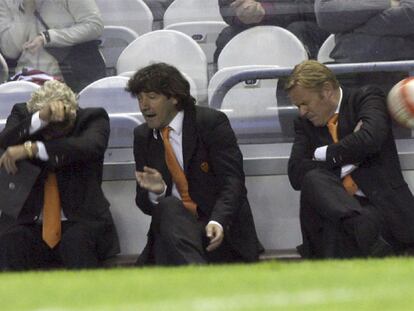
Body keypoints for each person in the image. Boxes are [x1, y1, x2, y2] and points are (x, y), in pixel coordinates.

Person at [126, 62, 263, 266]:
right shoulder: (143, 136)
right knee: (167, 205)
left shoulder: (209, 122)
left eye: (152, 97)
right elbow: (144, 204)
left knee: (164, 252)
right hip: (177, 229)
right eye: (140, 98)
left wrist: (218, 221)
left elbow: (232, 183)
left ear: (173, 97)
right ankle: (197, 276)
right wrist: (159, 191)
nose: (144, 105)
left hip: (218, 231)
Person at [285, 60, 414, 258]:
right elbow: (295, 173)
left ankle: (362, 228)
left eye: (304, 103)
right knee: (312, 179)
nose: (302, 111)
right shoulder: (304, 124)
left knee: (316, 175)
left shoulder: (366, 97)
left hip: (382, 209)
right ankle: (361, 226)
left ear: (327, 90)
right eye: (297, 106)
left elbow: (370, 139)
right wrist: (353, 157)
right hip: (339, 220)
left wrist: (323, 155)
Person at [0, 80, 119, 270]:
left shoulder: (92, 118)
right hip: (30, 220)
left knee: (76, 242)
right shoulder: (25, 115)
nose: (52, 135)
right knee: (10, 241)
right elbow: (4, 142)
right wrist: (40, 118)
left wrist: (32, 148)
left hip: (80, 220)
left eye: (61, 129)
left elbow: (89, 147)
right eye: (46, 131)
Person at [0, 0, 105, 91]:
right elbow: (9, 51)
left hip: (69, 75)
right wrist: (25, 9)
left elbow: (94, 25)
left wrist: (49, 37)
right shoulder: (6, 2)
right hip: (29, 79)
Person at [315, 0, 414, 94]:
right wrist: (388, 3)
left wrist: (354, 28)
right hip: (351, 71)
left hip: (401, 70)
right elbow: (325, 14)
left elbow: (410, 13)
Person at [215, 0, 329, 62]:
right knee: (226, 38)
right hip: (250, 25)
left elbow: (312, 6)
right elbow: (227, 7)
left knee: (297, 32)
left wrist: (267, 11)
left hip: (300, 25)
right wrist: (240, 13)